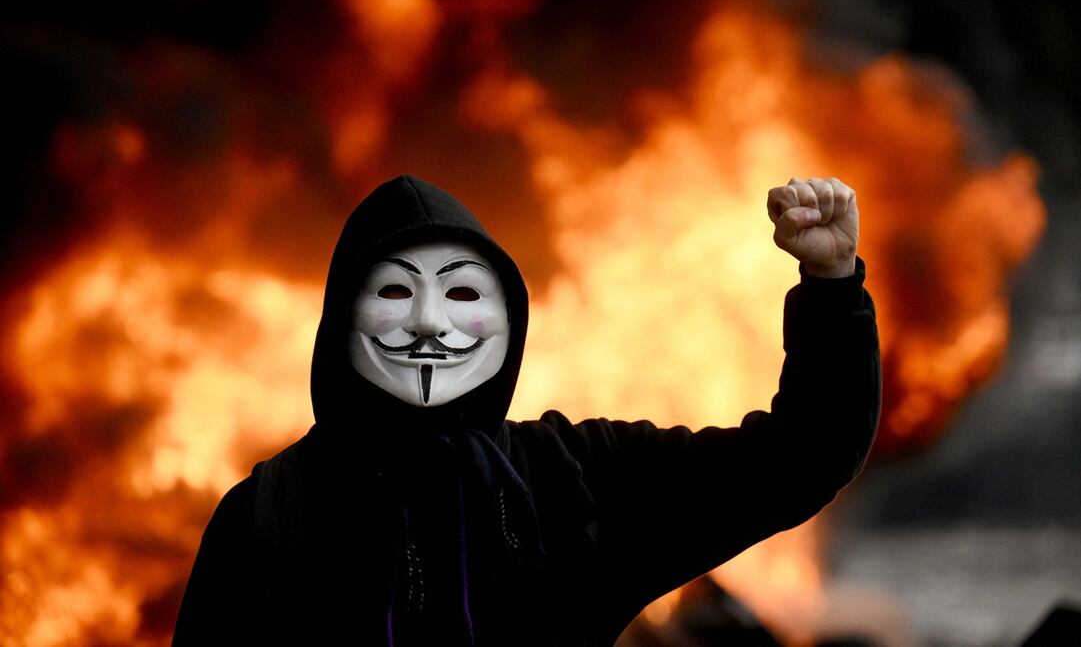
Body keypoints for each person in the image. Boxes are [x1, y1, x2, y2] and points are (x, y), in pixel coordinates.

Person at [172, 173, 881, 646]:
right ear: (340, 317)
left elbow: (802, 458)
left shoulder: (573, 478)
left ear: (508, 320)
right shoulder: (266, 514)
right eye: (392, 292)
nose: (428, 322)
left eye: (462, 293)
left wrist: (831, 285)